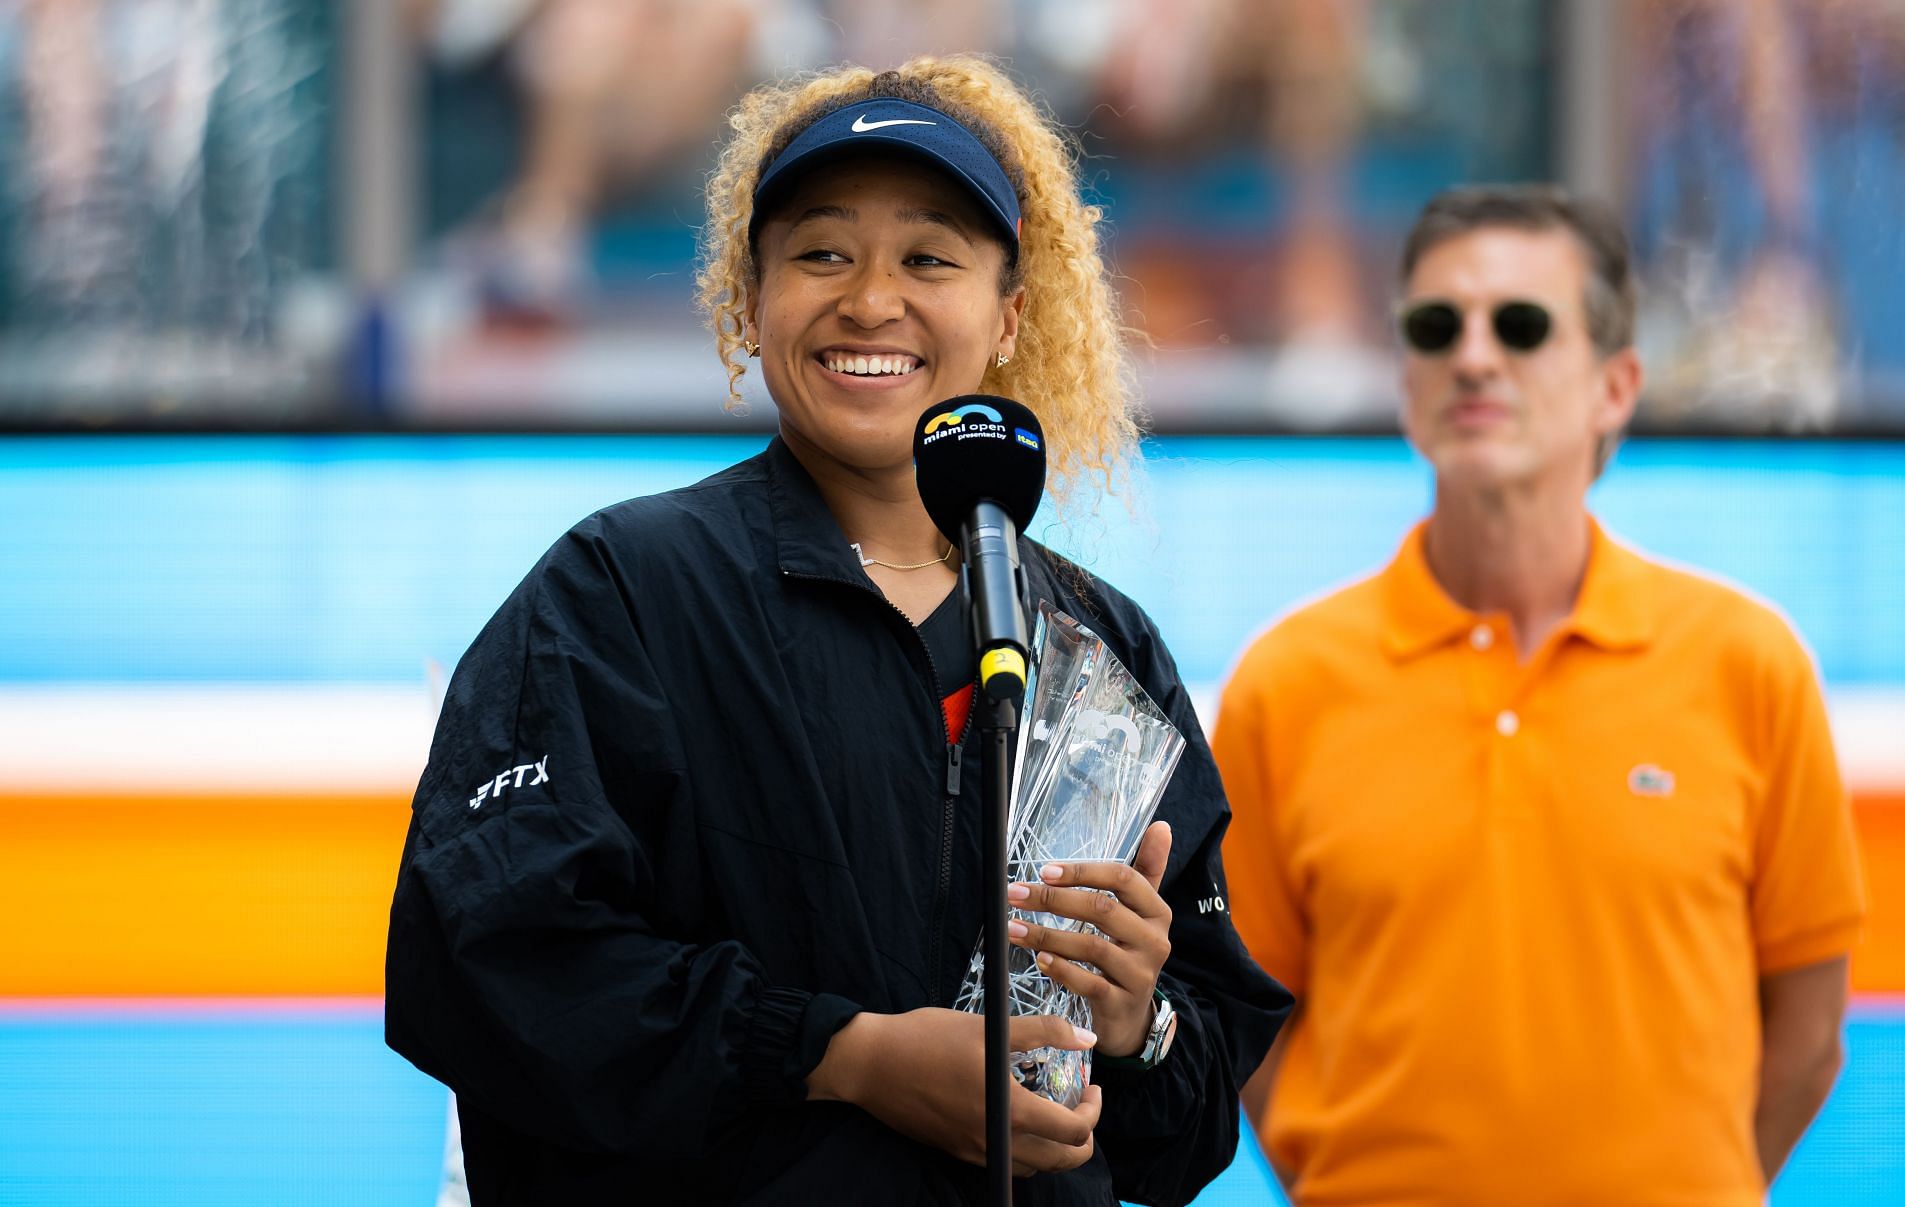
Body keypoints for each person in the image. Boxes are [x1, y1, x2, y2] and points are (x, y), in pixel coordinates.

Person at [385, 54, 1292, 1205]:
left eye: (929, 258)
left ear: (1010, 316)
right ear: (747, 299)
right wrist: (841, 1056)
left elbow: (1194, 1122)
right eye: (821, 253)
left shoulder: (1101, 649)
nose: (872, 300)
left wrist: (1136, 1023)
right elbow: (485, 970)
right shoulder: (618, 592)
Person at [1215, 185, 1866, 1205]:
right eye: (1437, 327)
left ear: (1616, 385)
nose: (1474, 356)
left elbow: (1812, 1030)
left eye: (1521, 325)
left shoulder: (1749, 663)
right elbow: (1247, 1018)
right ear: (1405, 382)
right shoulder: (1286, 684)